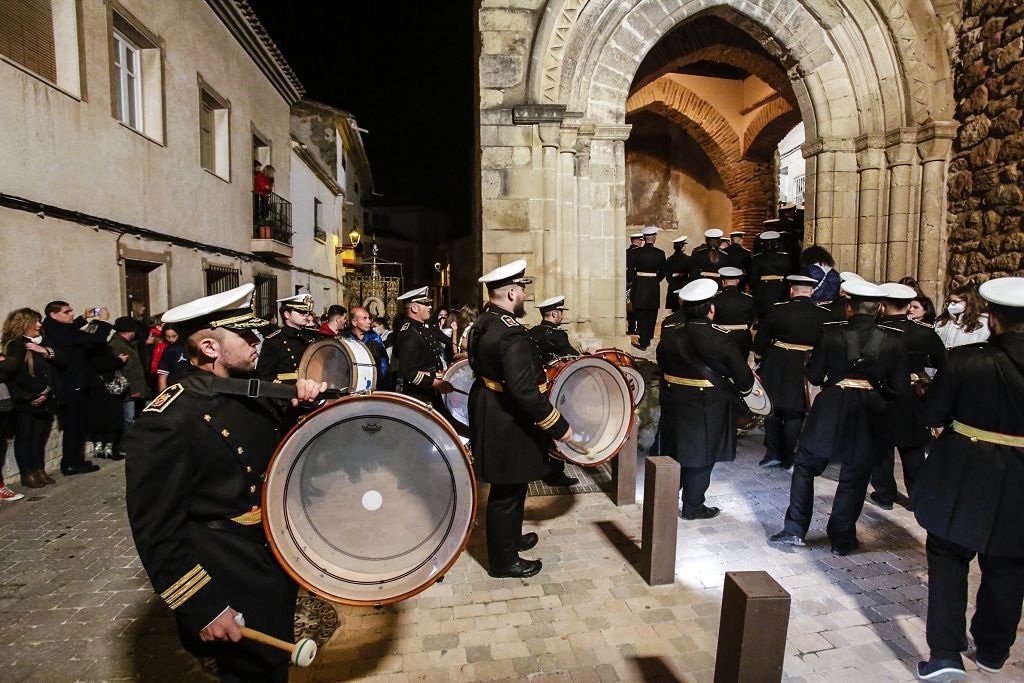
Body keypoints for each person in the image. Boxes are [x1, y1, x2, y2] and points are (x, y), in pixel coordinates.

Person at [124, 283, 325, 683]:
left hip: (270, 553)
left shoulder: (250, 392)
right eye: (247, 335)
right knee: (253, 672)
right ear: (211, 349)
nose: (259, 342)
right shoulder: (167, 420)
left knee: (270, 666)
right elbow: (156, 532)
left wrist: (304, 407)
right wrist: (202, 605)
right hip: (227, 567)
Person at [913, 277, 1024, 682]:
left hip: (964, 474)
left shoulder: (966, 360)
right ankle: (994, 650)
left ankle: (944, 654)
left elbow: (929, 415)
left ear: (992, 318)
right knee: (1010, 562)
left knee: (948, 556)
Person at [769, 279, 909, 556]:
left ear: (848, 307)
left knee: (806, 467)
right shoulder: (894, 341)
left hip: (832, 406)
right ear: (879, 308)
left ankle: (795, 529)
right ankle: (842, 538)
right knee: (855, 475)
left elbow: (815, 376)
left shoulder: (831, 334)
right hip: (870, 411)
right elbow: (900, 389)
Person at [468, 260, 575, 578]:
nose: (525, 296)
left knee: (513, 486)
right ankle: (503, 562)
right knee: (506, 493)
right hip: (507, 419)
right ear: (512, 292)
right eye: (523, 290)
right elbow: (526, 391)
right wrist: (558, 425)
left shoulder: (485, 321)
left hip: (495, 409)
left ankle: (510, 539)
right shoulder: (509, 333)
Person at [657, 279, 754, 520]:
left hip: (676, 400)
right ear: (711, 308)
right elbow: (743, 380)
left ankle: (665, 499)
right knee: (703, 455)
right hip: (708, 404)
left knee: (676, 450)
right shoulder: (720, 337)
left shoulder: (670, 333)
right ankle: (693, 505)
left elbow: (662, 362)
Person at [867, 284, 946, 511]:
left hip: (879, 391)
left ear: (883, 305)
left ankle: (884, 494)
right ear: (908, 305)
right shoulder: (923, 332)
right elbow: (943, 363)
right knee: (912, 446)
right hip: (911, 393)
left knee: (881, 445)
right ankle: (917, 496)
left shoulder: (876, 330)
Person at [753, 274, 832, 469]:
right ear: (812, 292)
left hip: (777, 363)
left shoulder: (777, 310)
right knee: (795, 411)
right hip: (805, 365)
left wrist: (760, 359)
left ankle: (773, 452)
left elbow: (761, 340)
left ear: (791, 291)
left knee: (771, 408)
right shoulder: (825, 314)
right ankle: (788, 455)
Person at [42, 301, 116, 476]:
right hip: (73, 385)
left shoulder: (51, 327)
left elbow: (70, 330)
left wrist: (84, 318)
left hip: (70, 384)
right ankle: (72, 463)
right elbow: (94, 339)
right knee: (75, 427)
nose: (71, 315)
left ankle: (74, 461)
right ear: (54, 315)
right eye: (67, 312)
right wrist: (104, 323)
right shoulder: (62, 332)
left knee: (75, 426)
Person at [2, 308, 61, 490]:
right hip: (26, 399)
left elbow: (58, 362)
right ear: (22, 324)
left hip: (43, 397)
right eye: (34, 322)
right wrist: (39, 391)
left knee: (39, 437)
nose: (39, 325)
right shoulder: (16, 345)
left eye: (39, 321)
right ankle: (28, 473)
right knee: (25, 437)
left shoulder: (40, 342)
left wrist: (45, 392)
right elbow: (18, 374)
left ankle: (39, 469)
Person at [527, 295, 580, 489]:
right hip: (559, 388)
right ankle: (556, 473)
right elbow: (573, 358)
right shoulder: (557, 335)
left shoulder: (531, 332)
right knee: (558, 425)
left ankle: (541, 467)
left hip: (541, 386)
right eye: (561, 312)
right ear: (555, 313)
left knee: (541, 427)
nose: (562, 316)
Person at [392, 287, 453, 405]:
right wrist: (437, 383)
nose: (430, 307)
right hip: (419, 393)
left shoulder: (422, 328)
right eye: (426, 304)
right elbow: (408, 371)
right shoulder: (408, 333)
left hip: (430, 390)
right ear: (414, 308)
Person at [257, 294, 322, 384]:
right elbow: (264, 375)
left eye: (307, 312)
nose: (306, 315)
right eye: (301, 312)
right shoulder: (275, 341)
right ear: (287, 314)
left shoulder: (313, 335)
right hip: (289, 392)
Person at [110, 317, 149, 456]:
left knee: (133, 417)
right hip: (130, 390)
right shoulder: (118, 345)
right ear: (129, 331)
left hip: (135, 388)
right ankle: (126, 445)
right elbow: (127, 371)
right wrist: (135, 389)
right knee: (129, 418)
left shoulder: (126, 343)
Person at [631, 226, 666, 350]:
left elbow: (630, 271)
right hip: (653, 287)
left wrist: (636, 280)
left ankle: (644, 339)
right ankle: (648, 337)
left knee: (641, 313)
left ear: (644, 239)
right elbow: (663, 271)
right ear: (654, 238)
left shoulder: (636, 253)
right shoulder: (660, 253)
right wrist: (655, 280)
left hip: (639, 285)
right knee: (652, 313)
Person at [711, 267, 756, 359]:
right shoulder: (748, 299)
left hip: (721, 336)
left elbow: (712, 318)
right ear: (738, 281)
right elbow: (753, 317)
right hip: (742, 338)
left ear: (723, 282)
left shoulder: (715, 299)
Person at [749, 230, 793, 319]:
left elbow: (753, 277)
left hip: (763, 290)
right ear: (776, 243)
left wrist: (756, 290)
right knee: (780, 314)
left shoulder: (757, 258)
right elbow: (789, 273)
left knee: (764, 316)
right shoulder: (784, 257)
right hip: (781, 289)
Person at [346, 306, 391, 390]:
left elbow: (383, 365)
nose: (369, 321)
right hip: (351, 387)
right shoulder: (345, 339)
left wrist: (383, 387)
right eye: (365, 318)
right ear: (354, 322)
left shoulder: (375, 339)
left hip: (372, 387)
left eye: (369, 318)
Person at [935, 283, 990, 348]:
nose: (951, 305)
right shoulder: (941, 321)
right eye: (949, 302)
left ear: (968, 302)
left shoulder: (982, 323)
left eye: (955, 302)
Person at [663, 236, 691, 311]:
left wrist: (672, 281)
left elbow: (667, 275)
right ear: (682, 247)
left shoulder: (669, 259)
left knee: (674, 310)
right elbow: (691, 273)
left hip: (673, 286)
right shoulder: (688, 259)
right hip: (685, 285)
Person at [625, 232, 643, 335]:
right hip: (638, 283)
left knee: (629, 305)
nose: (641, 242)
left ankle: (631, 327)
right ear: (637, 241)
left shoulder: (626, 252)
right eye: (640, 240)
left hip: (627, 283)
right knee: (639, 305)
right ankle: (639, 328)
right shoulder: (640, 252)